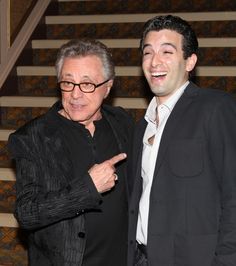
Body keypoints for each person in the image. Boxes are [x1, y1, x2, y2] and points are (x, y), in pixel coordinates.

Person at [8, 39, 134, 266]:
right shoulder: (32, 137)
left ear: (108, 87)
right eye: (67, 82)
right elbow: (26, 213)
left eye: (87, 84)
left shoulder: (122, 122)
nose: (75, 94)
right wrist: (88, 188)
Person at [127, 14, 236, 266]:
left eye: (167, 51)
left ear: (190, 62)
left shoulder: (216, 109)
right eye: (148, 52)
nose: (155, 62)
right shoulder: (141, 126)